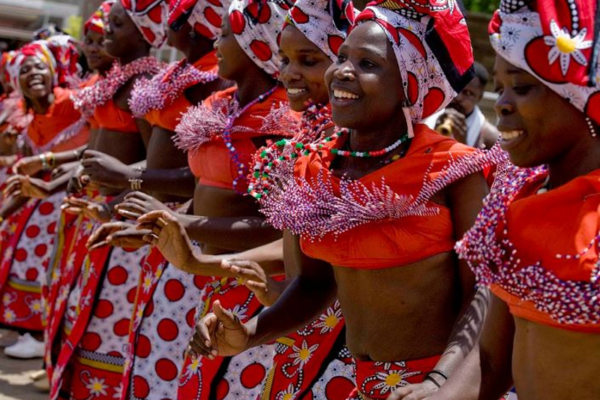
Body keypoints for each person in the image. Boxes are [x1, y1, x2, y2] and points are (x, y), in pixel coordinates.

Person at [148, 1, 507, 400]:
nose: (342, 72)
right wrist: (250, 332)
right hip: (346, 377)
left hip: (431, 383)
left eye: (368, 64)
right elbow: (312, 282)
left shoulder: (453, 171)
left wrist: (440, 385)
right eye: (341, 57)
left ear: (410, 84)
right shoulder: (315, 166)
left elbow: (483, 295)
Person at [425, 0, 600, 399]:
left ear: (583, 94)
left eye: (521, 87)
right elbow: (493, 359)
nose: (502, 103)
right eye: (501, 87)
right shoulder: (516, 196)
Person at [46, 1, 167, 399]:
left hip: (122, 224)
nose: (105, 32)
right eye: (102, 26)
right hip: (96, 214)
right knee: (81, 309)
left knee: (107, 318)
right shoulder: (118, 79)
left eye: (117, 24)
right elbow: (97, 153)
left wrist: (113, 202)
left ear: (147, 32)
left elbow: (155, 163)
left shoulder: (146, 84)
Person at [0, 36, 87, 360]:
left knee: (44, 264)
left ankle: (38, 334)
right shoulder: (31, 117)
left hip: (68, 198)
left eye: (39, 67)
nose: (33, 74)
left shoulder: (70, 103)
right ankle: (29, 328)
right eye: (24, 71)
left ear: (53, 72)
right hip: (41, 202)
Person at [431, 62, 499, 149]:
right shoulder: (425, 117)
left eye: (468, 93)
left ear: (479, 98)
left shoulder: (490, 138)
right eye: (454, 88)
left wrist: (463, 146)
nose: (458, 97)